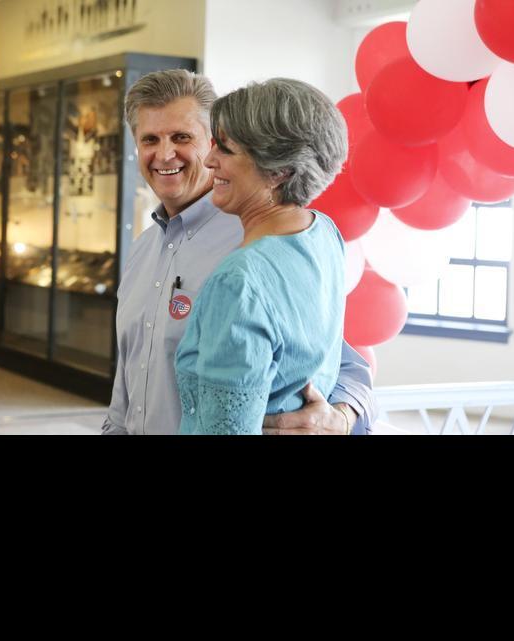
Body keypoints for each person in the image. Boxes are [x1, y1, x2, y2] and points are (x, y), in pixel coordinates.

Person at [101, 70, 375, 435]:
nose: (164, 154)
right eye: (150, 139)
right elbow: (127, 388)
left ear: (211, 140)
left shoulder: (259, 249)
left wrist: (339, 419)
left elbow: (347, 369)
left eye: (182, 137)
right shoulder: (141, 250)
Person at [175, 78, 347, 434]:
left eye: (225, 150)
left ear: (278, 172)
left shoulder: (240, 280)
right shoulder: (324, 232)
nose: (209, 160)